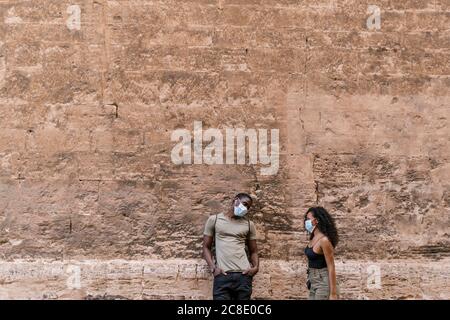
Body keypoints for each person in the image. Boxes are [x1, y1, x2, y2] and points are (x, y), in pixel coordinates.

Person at [203, 193, 259, 300]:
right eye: (245, 204)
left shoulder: (248, 224)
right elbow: (206, 247)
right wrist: (213, 268)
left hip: (243, 276)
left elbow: (254, 251)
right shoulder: (214, 220)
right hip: (223, 275)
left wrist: (255, 268)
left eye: (248, 207)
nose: (246, 208)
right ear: (236, 200)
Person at [304, 206, 339, 300]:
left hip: (323, 282)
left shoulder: (324, 240)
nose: (306, 222)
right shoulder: (313, 238)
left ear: (316, 221)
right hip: (313, 281)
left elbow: (331, 266)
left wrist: (333, 294)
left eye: (308, 219)